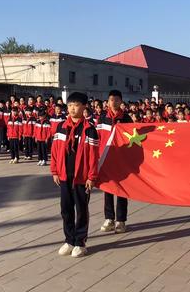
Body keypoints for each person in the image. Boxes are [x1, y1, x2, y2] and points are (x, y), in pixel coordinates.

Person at [51, 92, 99, 258]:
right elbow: (55, 151)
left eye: (76, 105)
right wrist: (54, 171)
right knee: (65, 209)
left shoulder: (90, 130)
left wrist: (91, 177)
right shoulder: (61, 127)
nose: (72, 108)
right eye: (70, 105)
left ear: (84, 107)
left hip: (81, 178)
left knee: (81, 209)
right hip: (64, 176)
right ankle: (69, 239)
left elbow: (94, 156)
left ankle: (80, 241)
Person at [97, 90, 132, 234]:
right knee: (108, 188)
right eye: (111, 99)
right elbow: (98, 137)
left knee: (122, 190)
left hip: (121, 159)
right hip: (105, 157)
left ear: (121, 101)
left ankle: (121, 221)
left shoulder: (126, 118)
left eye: (117, 100)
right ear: (108, 101)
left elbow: (132, 139)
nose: (114, 102)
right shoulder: (102, 117)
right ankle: (109, 218)